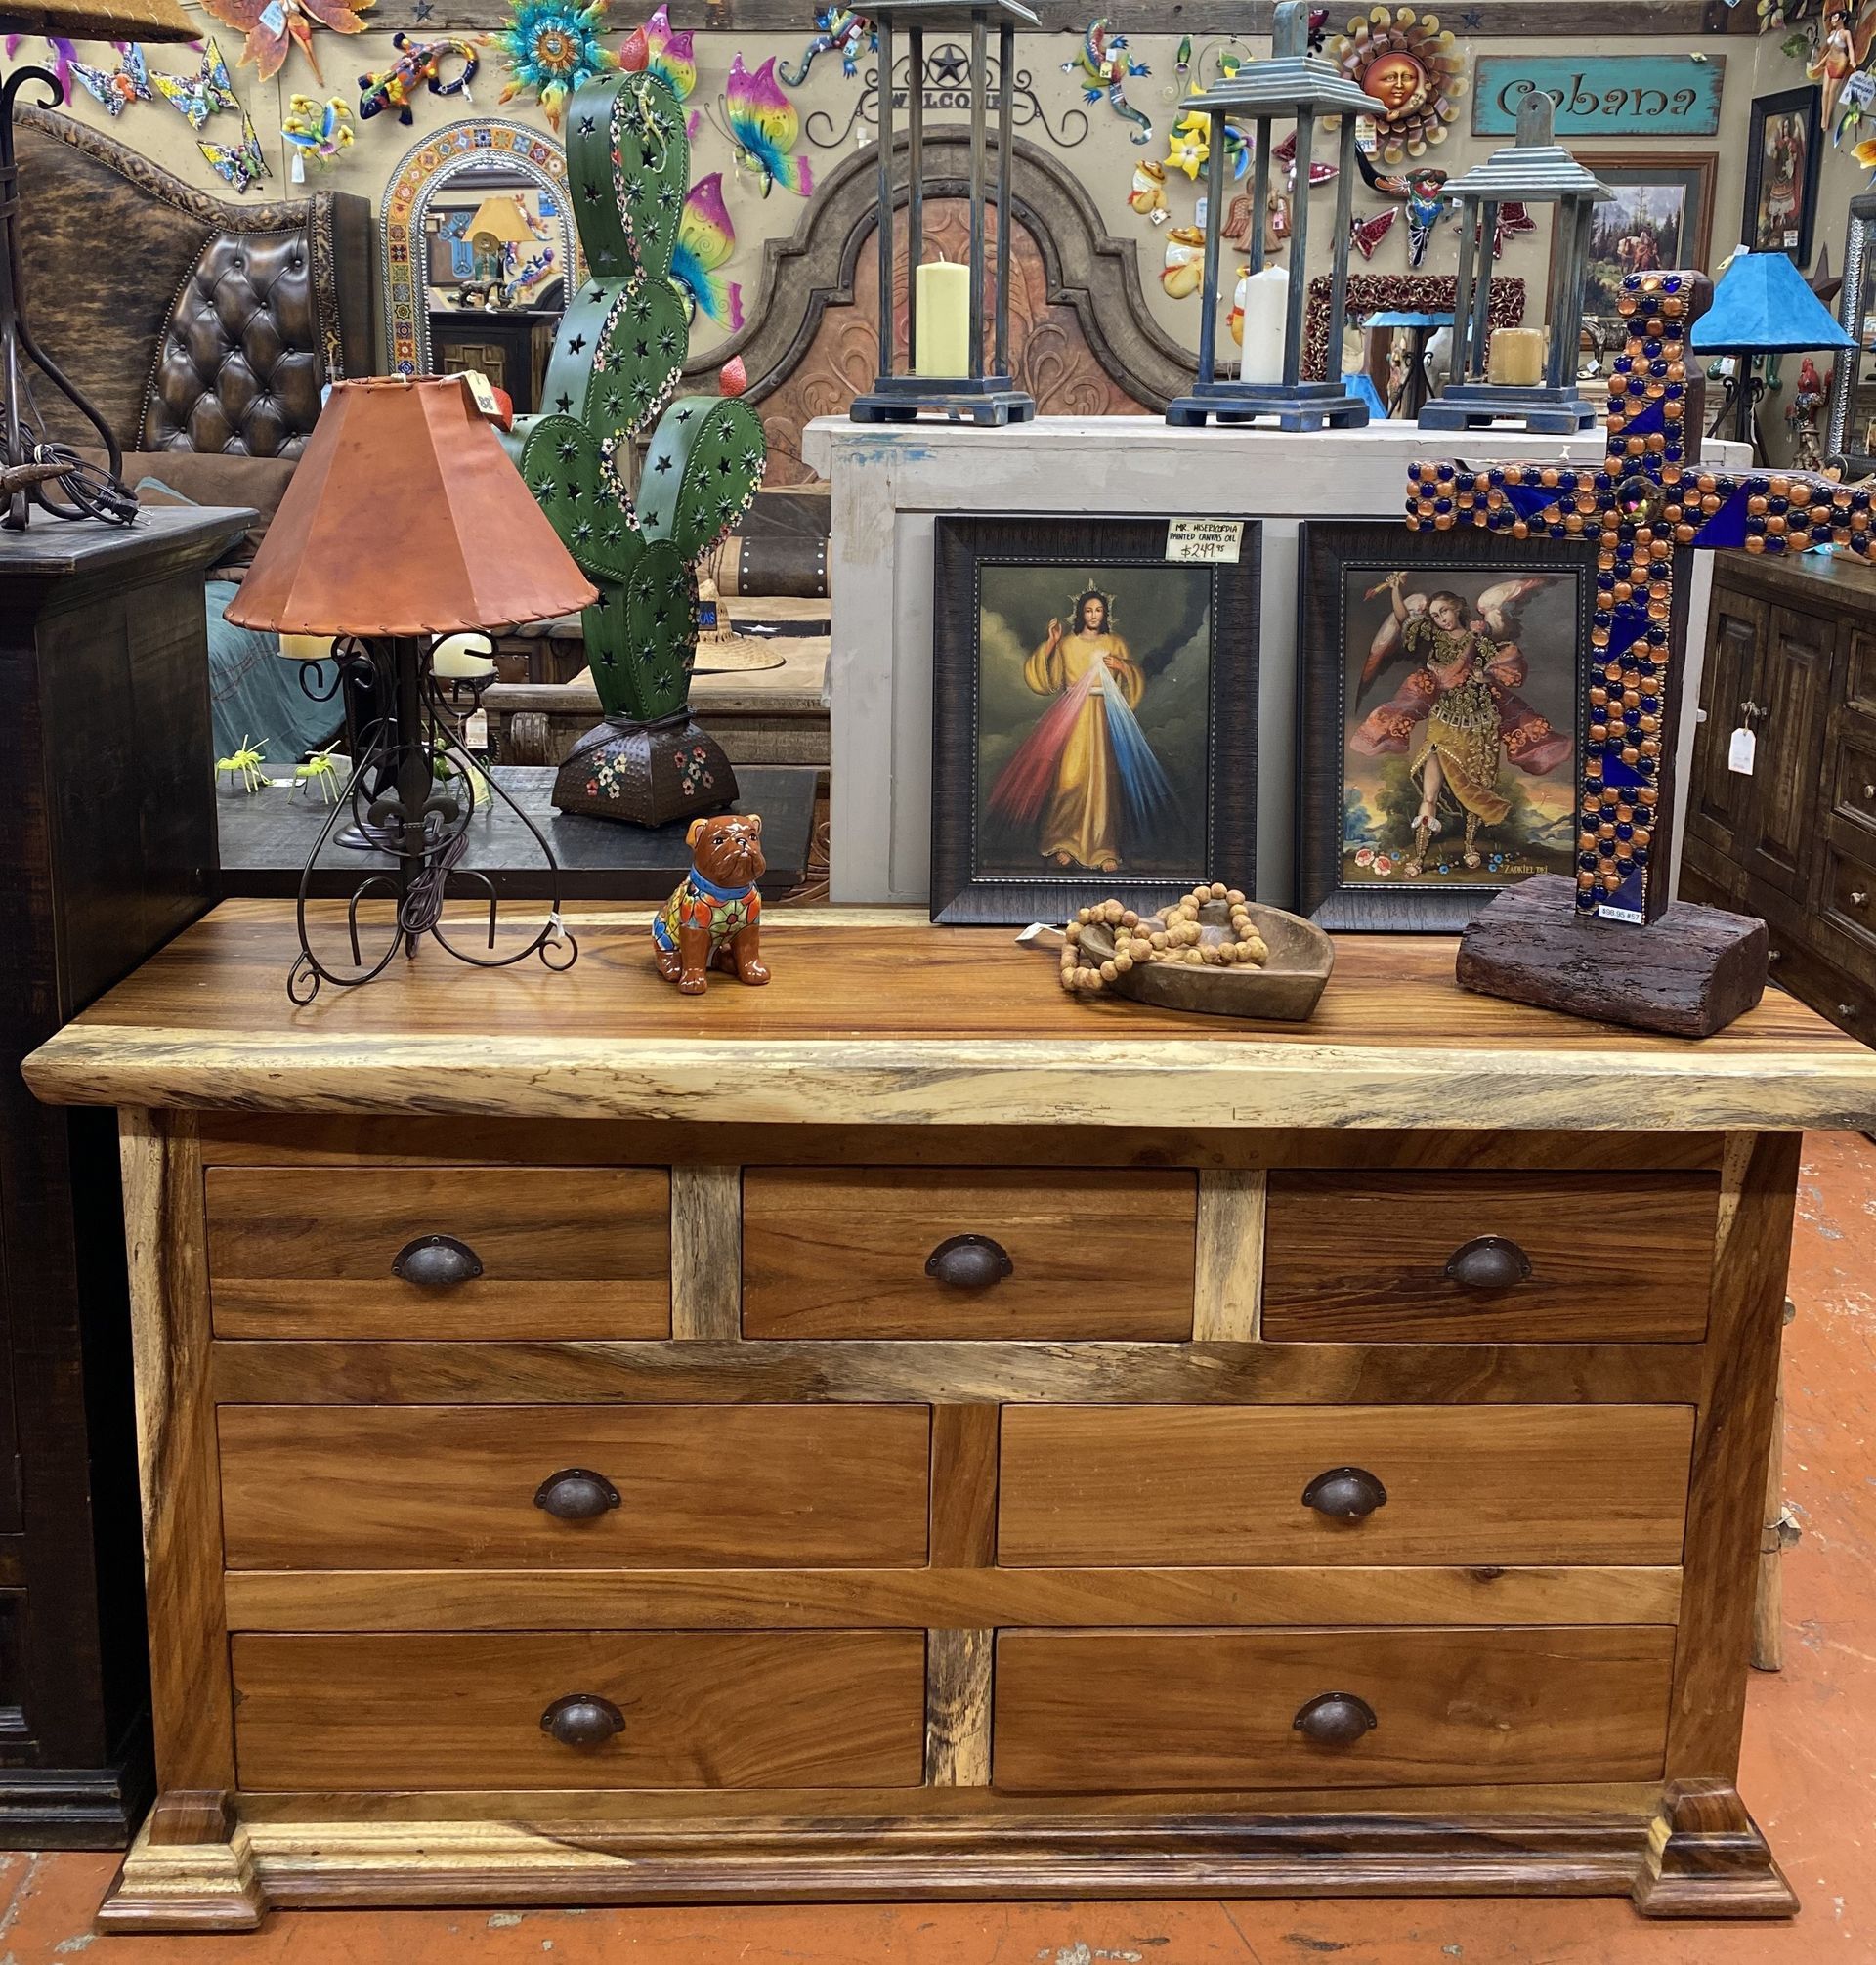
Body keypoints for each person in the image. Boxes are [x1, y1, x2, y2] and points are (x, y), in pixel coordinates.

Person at [1352, 574, 1570, 878]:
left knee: (1474, 793)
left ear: (1457, 608)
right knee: (1429, 795)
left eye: (1444, 611)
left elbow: (1508, 668)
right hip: (1443, 725)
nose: (1440, 618)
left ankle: (1469, 847)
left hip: (1479, 728)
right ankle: (1419, 857)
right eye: (1434, 615)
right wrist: (1396, 590)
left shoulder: (1480, 638)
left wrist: (1486, 676)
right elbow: (1404, 620)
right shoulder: (1432, 637)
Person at [986, 586, 1166, 872]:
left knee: (1103, 784)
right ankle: (1063, 841)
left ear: (1105, 614)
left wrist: (1122, 667)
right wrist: (1051, 644)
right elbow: (1047, 683)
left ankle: (1104, 848)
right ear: (1080, 613)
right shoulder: (1068, 645)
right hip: (1073, 718)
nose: (1093, 615)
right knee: (1069, 779)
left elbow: (1133, 681)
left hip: (1104, 716)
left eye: (1099, 610)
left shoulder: (1115, 643)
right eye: (1088, 610)